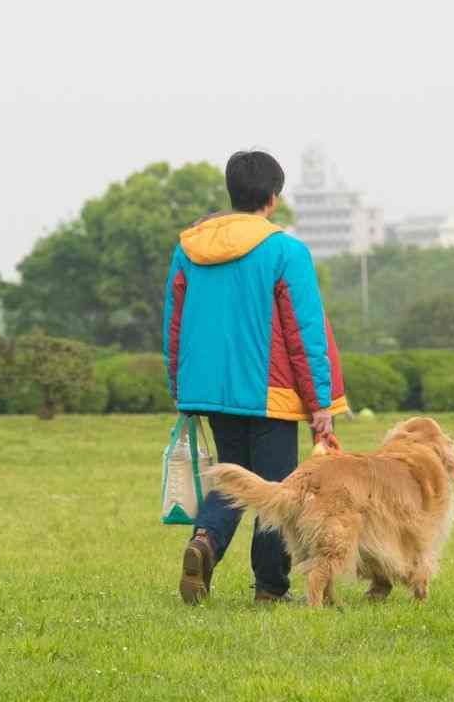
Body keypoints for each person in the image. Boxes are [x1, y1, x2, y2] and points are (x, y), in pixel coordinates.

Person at [162, 150, 348, 605]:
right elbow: (304, 334)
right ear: (273, 197)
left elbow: (175, 323)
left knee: (232, 476)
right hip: (272, 393)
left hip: (211, 390)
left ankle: (204, 541)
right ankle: (270, 587)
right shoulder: (286, 250)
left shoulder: (189, 248)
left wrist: (180, 389)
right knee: (276, 491)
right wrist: (320, 403)